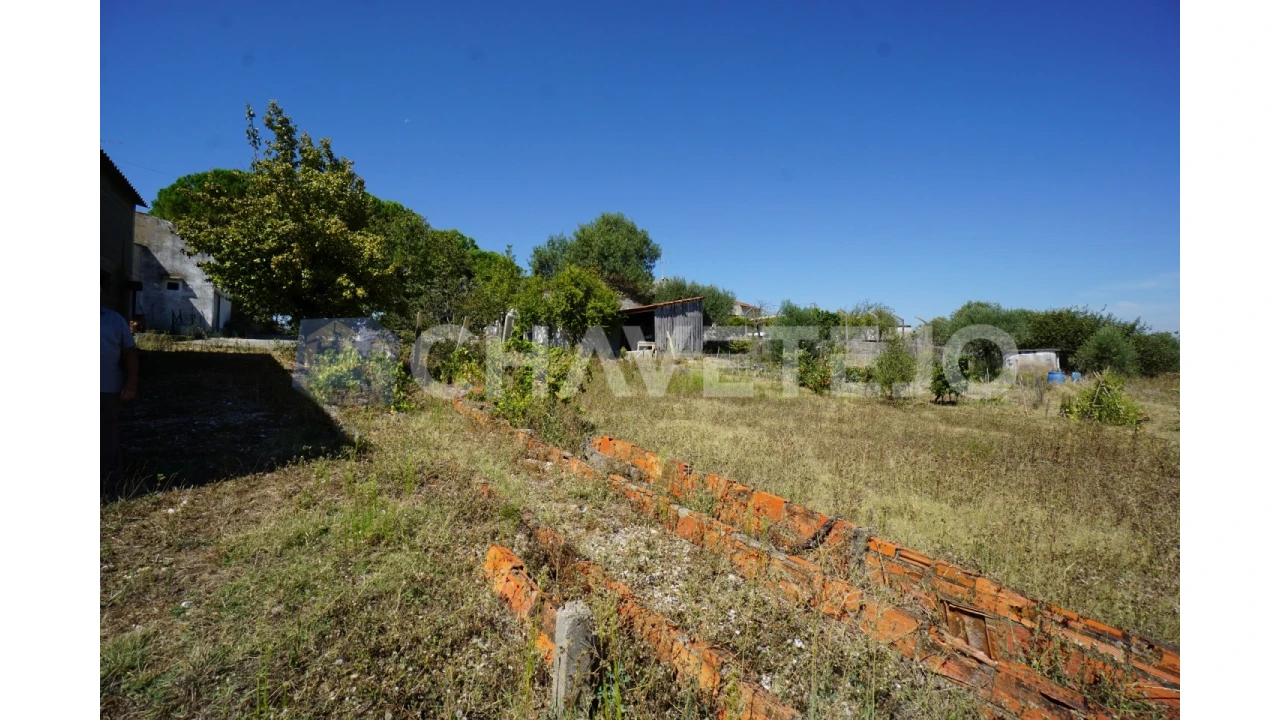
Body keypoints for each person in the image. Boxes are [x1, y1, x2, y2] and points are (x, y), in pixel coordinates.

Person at [101, 306, 138, 498]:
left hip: (107, 388)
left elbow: (129, 352)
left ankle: (109, 481)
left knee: (107, 434)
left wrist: (131, 382)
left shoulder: (114, 319)